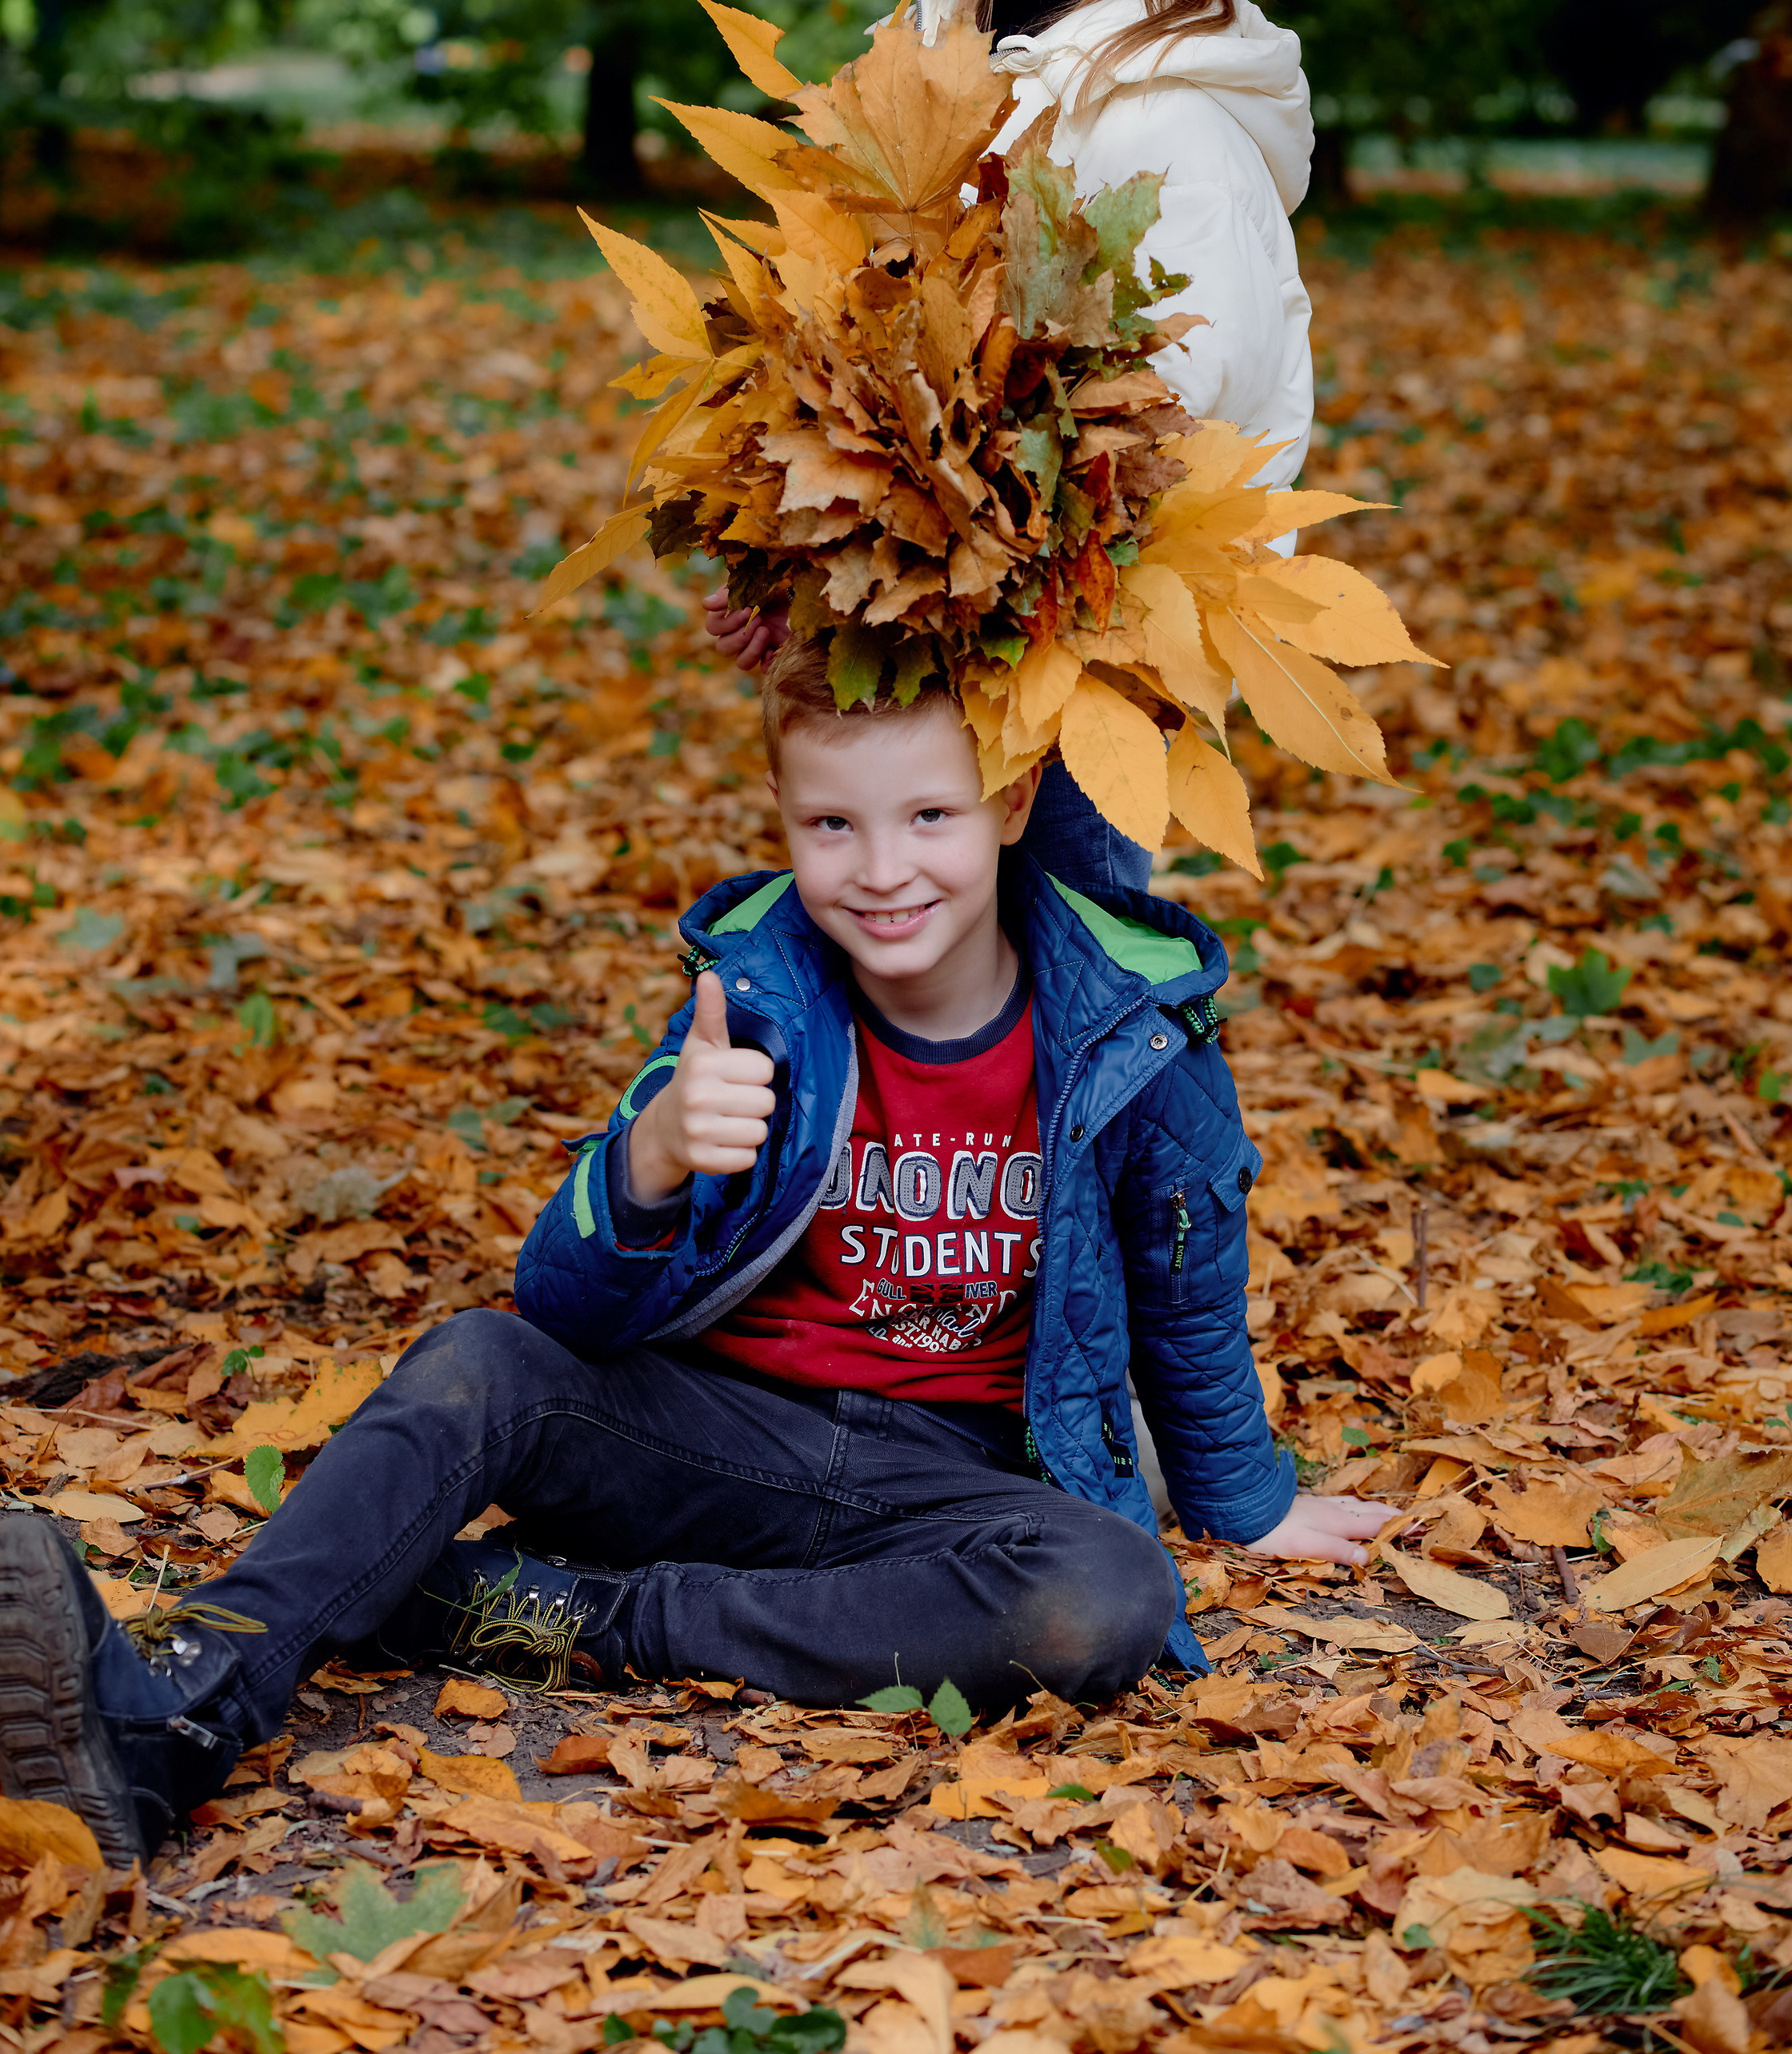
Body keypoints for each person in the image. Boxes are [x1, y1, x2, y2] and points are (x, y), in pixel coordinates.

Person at [0, 646, 1391, 1870]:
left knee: (1105, 1597)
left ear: (1014, 804)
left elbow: (1189, 1276)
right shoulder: (761, 1001)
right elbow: (560, 1303)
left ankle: (564, 1617)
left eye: (929, 816)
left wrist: (1241, 1495)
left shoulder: (1131, 1029)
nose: (883, 868)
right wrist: (652, 1158)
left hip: (948, 1477)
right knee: (483, 1360)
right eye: (831, 824)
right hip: (714, 1435)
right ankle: (183, 1703)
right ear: (783, 818)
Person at [708, 0, 1317, 901]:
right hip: (914, 652)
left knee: (1085, 1000)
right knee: (927, 1021)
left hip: (1072, 669)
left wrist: (919, 591)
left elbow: (1155, 448)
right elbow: (856, 339)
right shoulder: (940, 59)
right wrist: (794, 568)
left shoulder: (1173, 131)